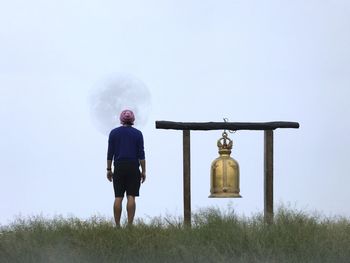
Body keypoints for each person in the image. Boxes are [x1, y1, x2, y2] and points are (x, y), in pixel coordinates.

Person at [106, 109, 146, 227]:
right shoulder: (138, 134)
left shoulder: (113, 133)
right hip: (133, 167)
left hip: (119, 166)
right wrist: (143, 171)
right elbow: (141, 155)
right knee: (131, 196)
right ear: (133, 120)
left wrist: (108, 170)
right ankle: (129, 225)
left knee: (118, 196)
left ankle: (117, 225)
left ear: (121, 119)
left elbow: (110, 153)